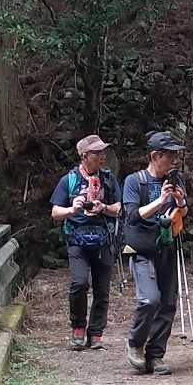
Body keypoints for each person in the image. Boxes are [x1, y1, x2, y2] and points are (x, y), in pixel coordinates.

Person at [121, 131, 186, 374]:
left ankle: (156, 356)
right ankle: (135, 344)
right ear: (155, 156)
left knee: (168, 304)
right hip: (142, 250)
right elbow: (132, 216)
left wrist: (179, 202)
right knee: (149, 299)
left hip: (167, 247)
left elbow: (183, 212)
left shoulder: (175, 180)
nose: (173, 161)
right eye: (169, 156)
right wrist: (160, 201)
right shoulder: (134, 181)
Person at [50, 135, 122, 350]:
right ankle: (78, 327)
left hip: (104, 239)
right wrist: (72, 209)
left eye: (102, 152)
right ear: (84, 156)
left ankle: (96, 333)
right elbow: (55, 212)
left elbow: (119, 208)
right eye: (96, 153)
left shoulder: (108, 179)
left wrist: (103, 207)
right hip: (77, 240)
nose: (102, 156)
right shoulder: (69, 180)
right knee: (79, 283)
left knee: (102, 289)